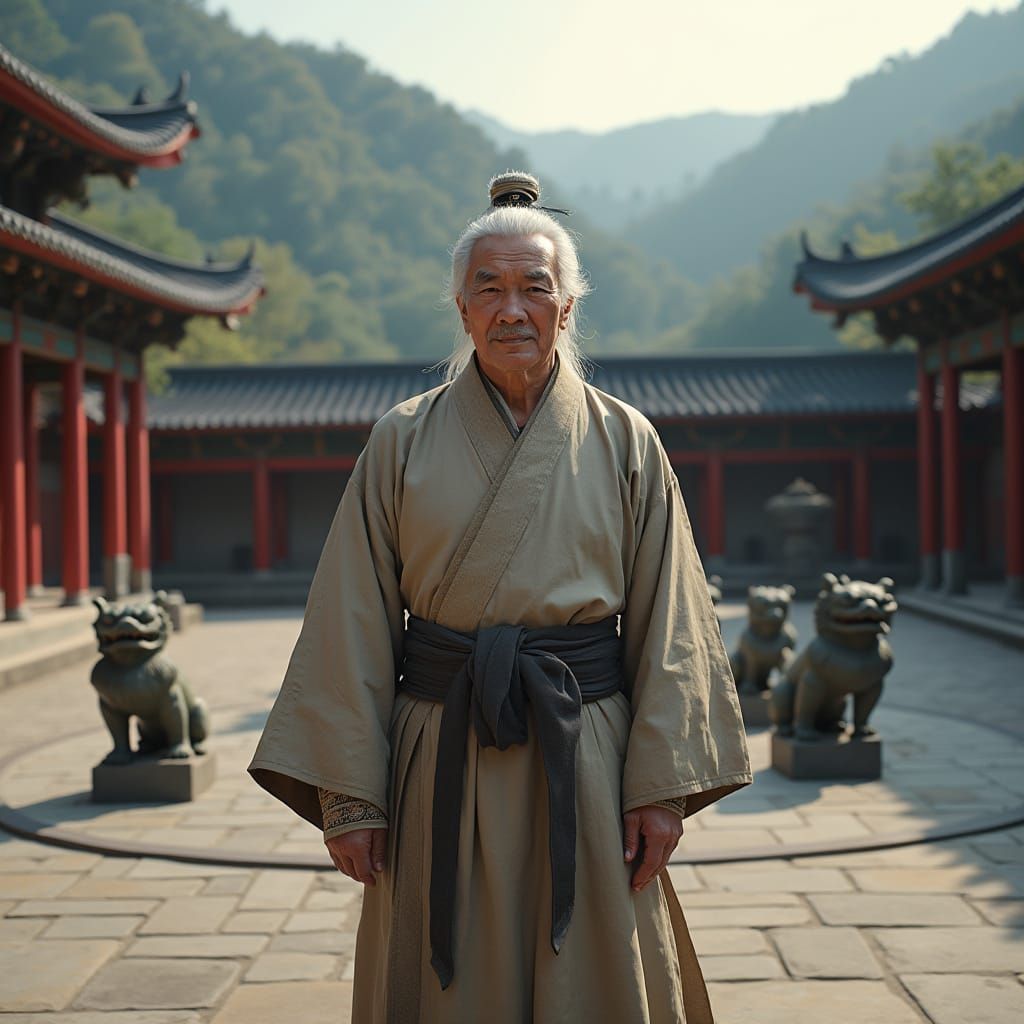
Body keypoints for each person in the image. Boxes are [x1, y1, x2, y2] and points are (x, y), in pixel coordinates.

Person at [249, 172, 751, 1024]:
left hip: (585, 753)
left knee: (594, 970)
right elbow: (350, 616)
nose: (512, 309)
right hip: (440, 751)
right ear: (461, 309)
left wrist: (661, 788)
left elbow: (675, 622)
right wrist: (350, 796)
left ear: (568, 307)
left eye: (535, 287)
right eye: (489, 289)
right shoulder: (401, 441)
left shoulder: (625, 439)